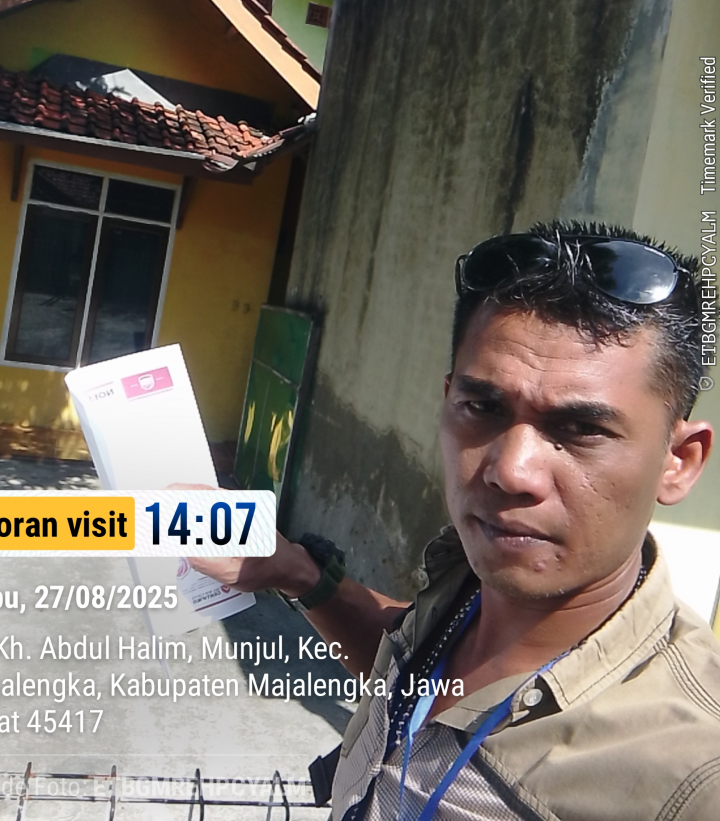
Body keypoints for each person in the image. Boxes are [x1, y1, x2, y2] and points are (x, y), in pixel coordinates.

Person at [187, 222, 720, 820]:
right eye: (482, 407)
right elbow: (408, 664)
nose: (511, 471)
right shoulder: (463, 590)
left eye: (581, 428)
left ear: (678, 461)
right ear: (447, 402)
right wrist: (292, 571)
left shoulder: (692, 777)